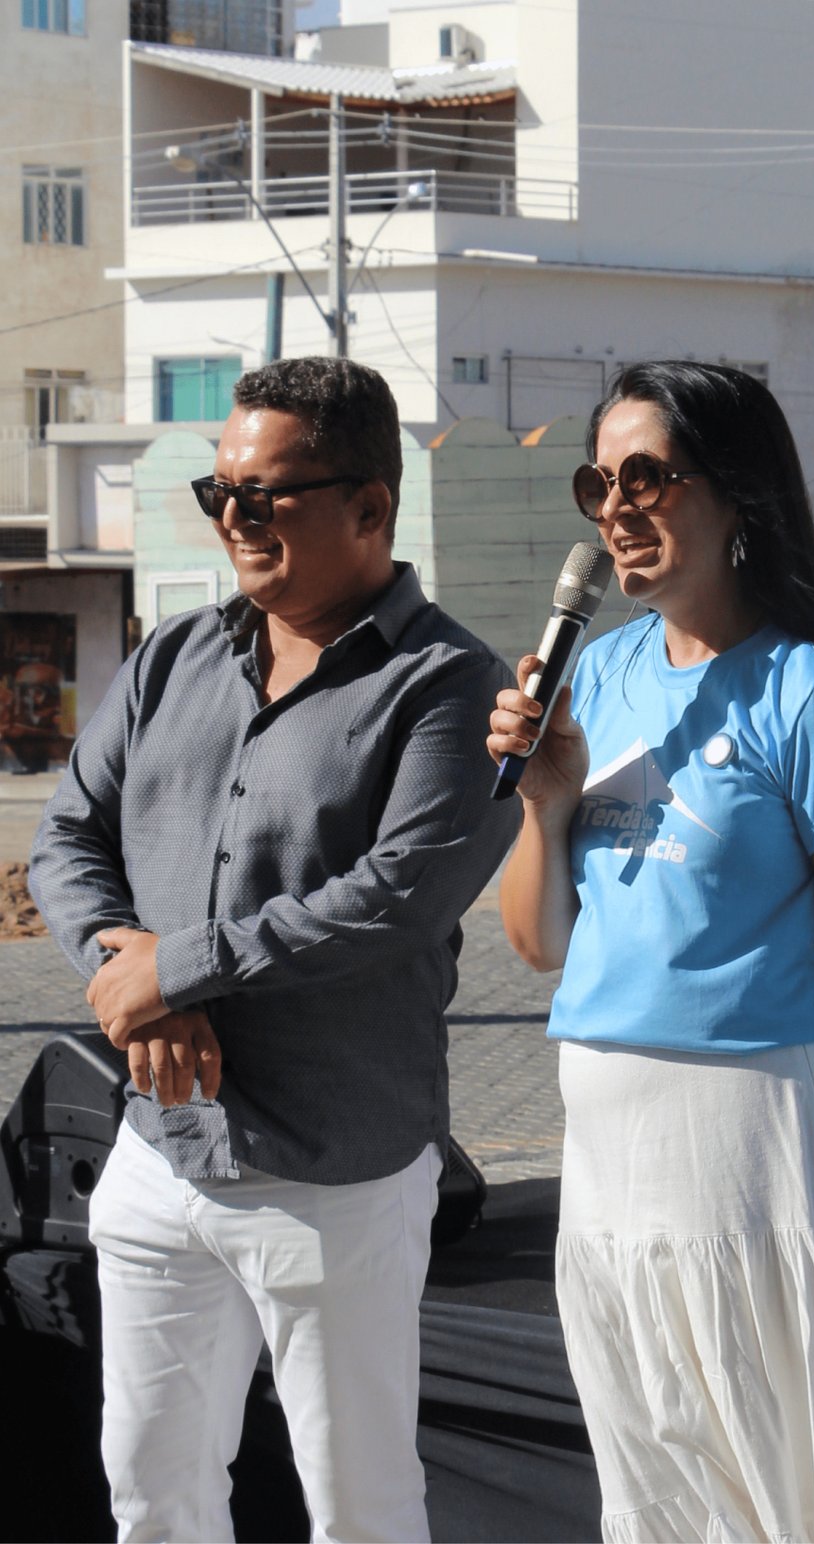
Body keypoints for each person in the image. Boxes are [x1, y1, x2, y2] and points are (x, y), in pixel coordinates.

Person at [29, 356, 520, 1542]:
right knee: (150, 1489)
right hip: (159, 1154)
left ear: (371, 504)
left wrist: (178, 967)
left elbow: (396, 895)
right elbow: (65, 835)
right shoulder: (174, 657)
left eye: (267, 493)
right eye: (219, 492)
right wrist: (134, 971)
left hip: (333, 1175)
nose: (235, 517)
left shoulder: (450, 688)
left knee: (356, 1504)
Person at [487, 361, 814, 1542]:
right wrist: (543, 801)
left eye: (647, 473)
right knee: (665, 1486)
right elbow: (539, 941)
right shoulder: (597, 671)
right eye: (598, 479)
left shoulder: (808, 692)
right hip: (610, 1160)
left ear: (736, 489)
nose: (616, 505)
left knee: (802, 1482)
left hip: (757, 1148)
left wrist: (802, 1127)